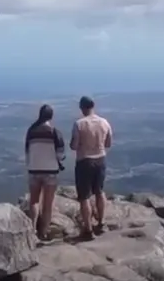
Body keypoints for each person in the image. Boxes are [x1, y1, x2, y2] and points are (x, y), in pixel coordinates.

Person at [69, 95, 113, 239]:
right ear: (93, 106)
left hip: (84, 161)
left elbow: (74, 146)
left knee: (84, 196)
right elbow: (108, 144)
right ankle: (102, 223)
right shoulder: (104, 122)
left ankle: (88, 230)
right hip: (100, 159)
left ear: (82, 108)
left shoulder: (79, 124)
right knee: (100, 191)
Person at [23, 103, 67, 239]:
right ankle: (44, 232)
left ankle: (32, 229)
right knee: (48, 203)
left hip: (34, 169)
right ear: (51, 116)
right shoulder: (54, 132)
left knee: (34, 201)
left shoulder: (31, 130)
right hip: (50, 171)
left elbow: (27, 151)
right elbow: (60, 154)